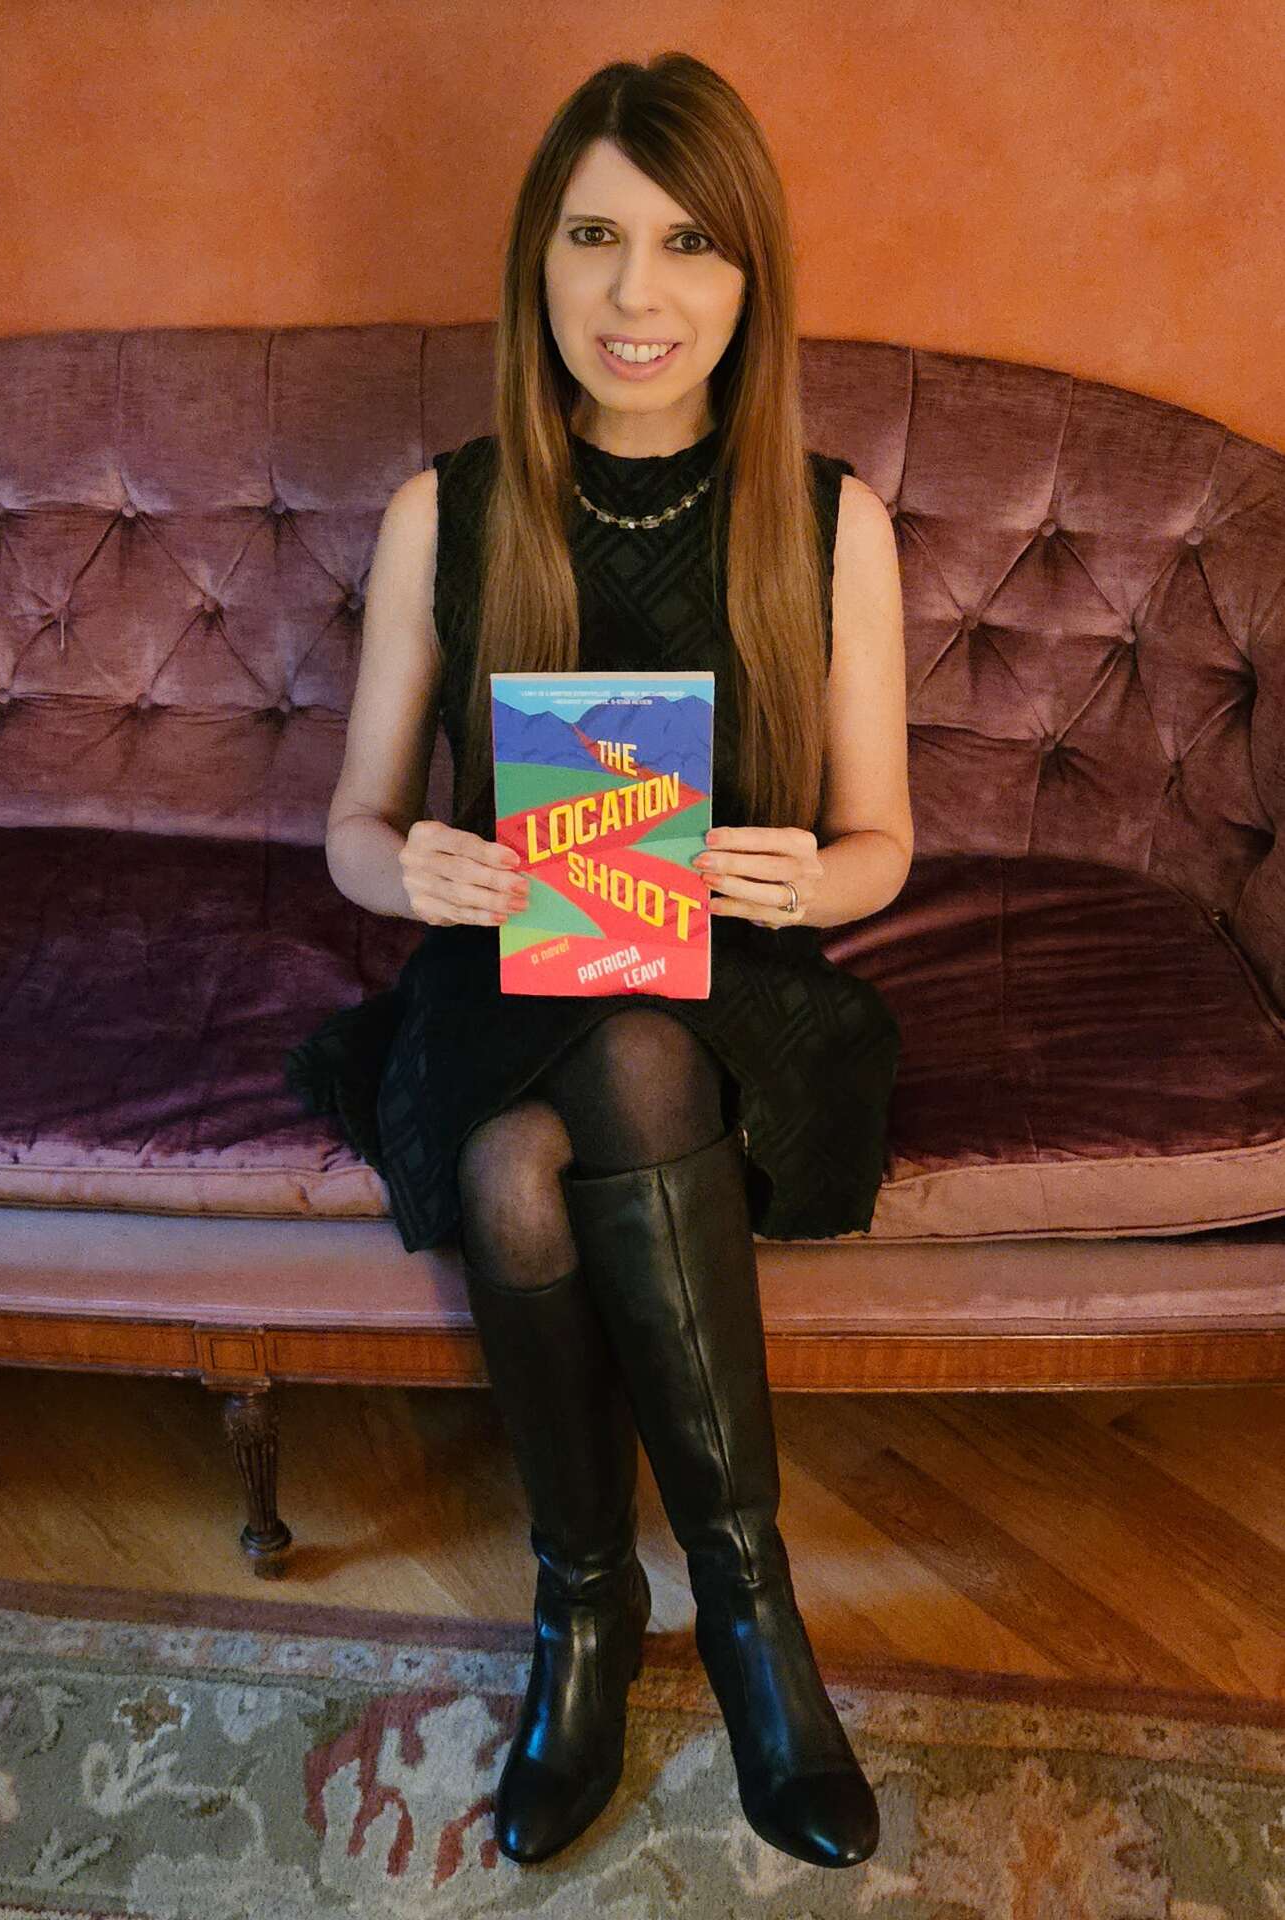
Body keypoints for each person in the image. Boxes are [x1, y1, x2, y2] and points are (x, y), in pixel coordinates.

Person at [285, 52, 911, 1872]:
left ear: (751, 278)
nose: (638, 293)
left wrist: (809, 877)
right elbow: (353, 827)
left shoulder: (829, 519)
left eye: (690, 244)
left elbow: (884, 842)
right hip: (508, 968)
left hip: (741, 989)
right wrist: (415, 866)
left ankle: (707, 1603)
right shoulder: (450, 510)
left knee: (611, 1075)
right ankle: (617, 1602)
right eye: (594, 238)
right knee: (508, 1144)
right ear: (537, 264)